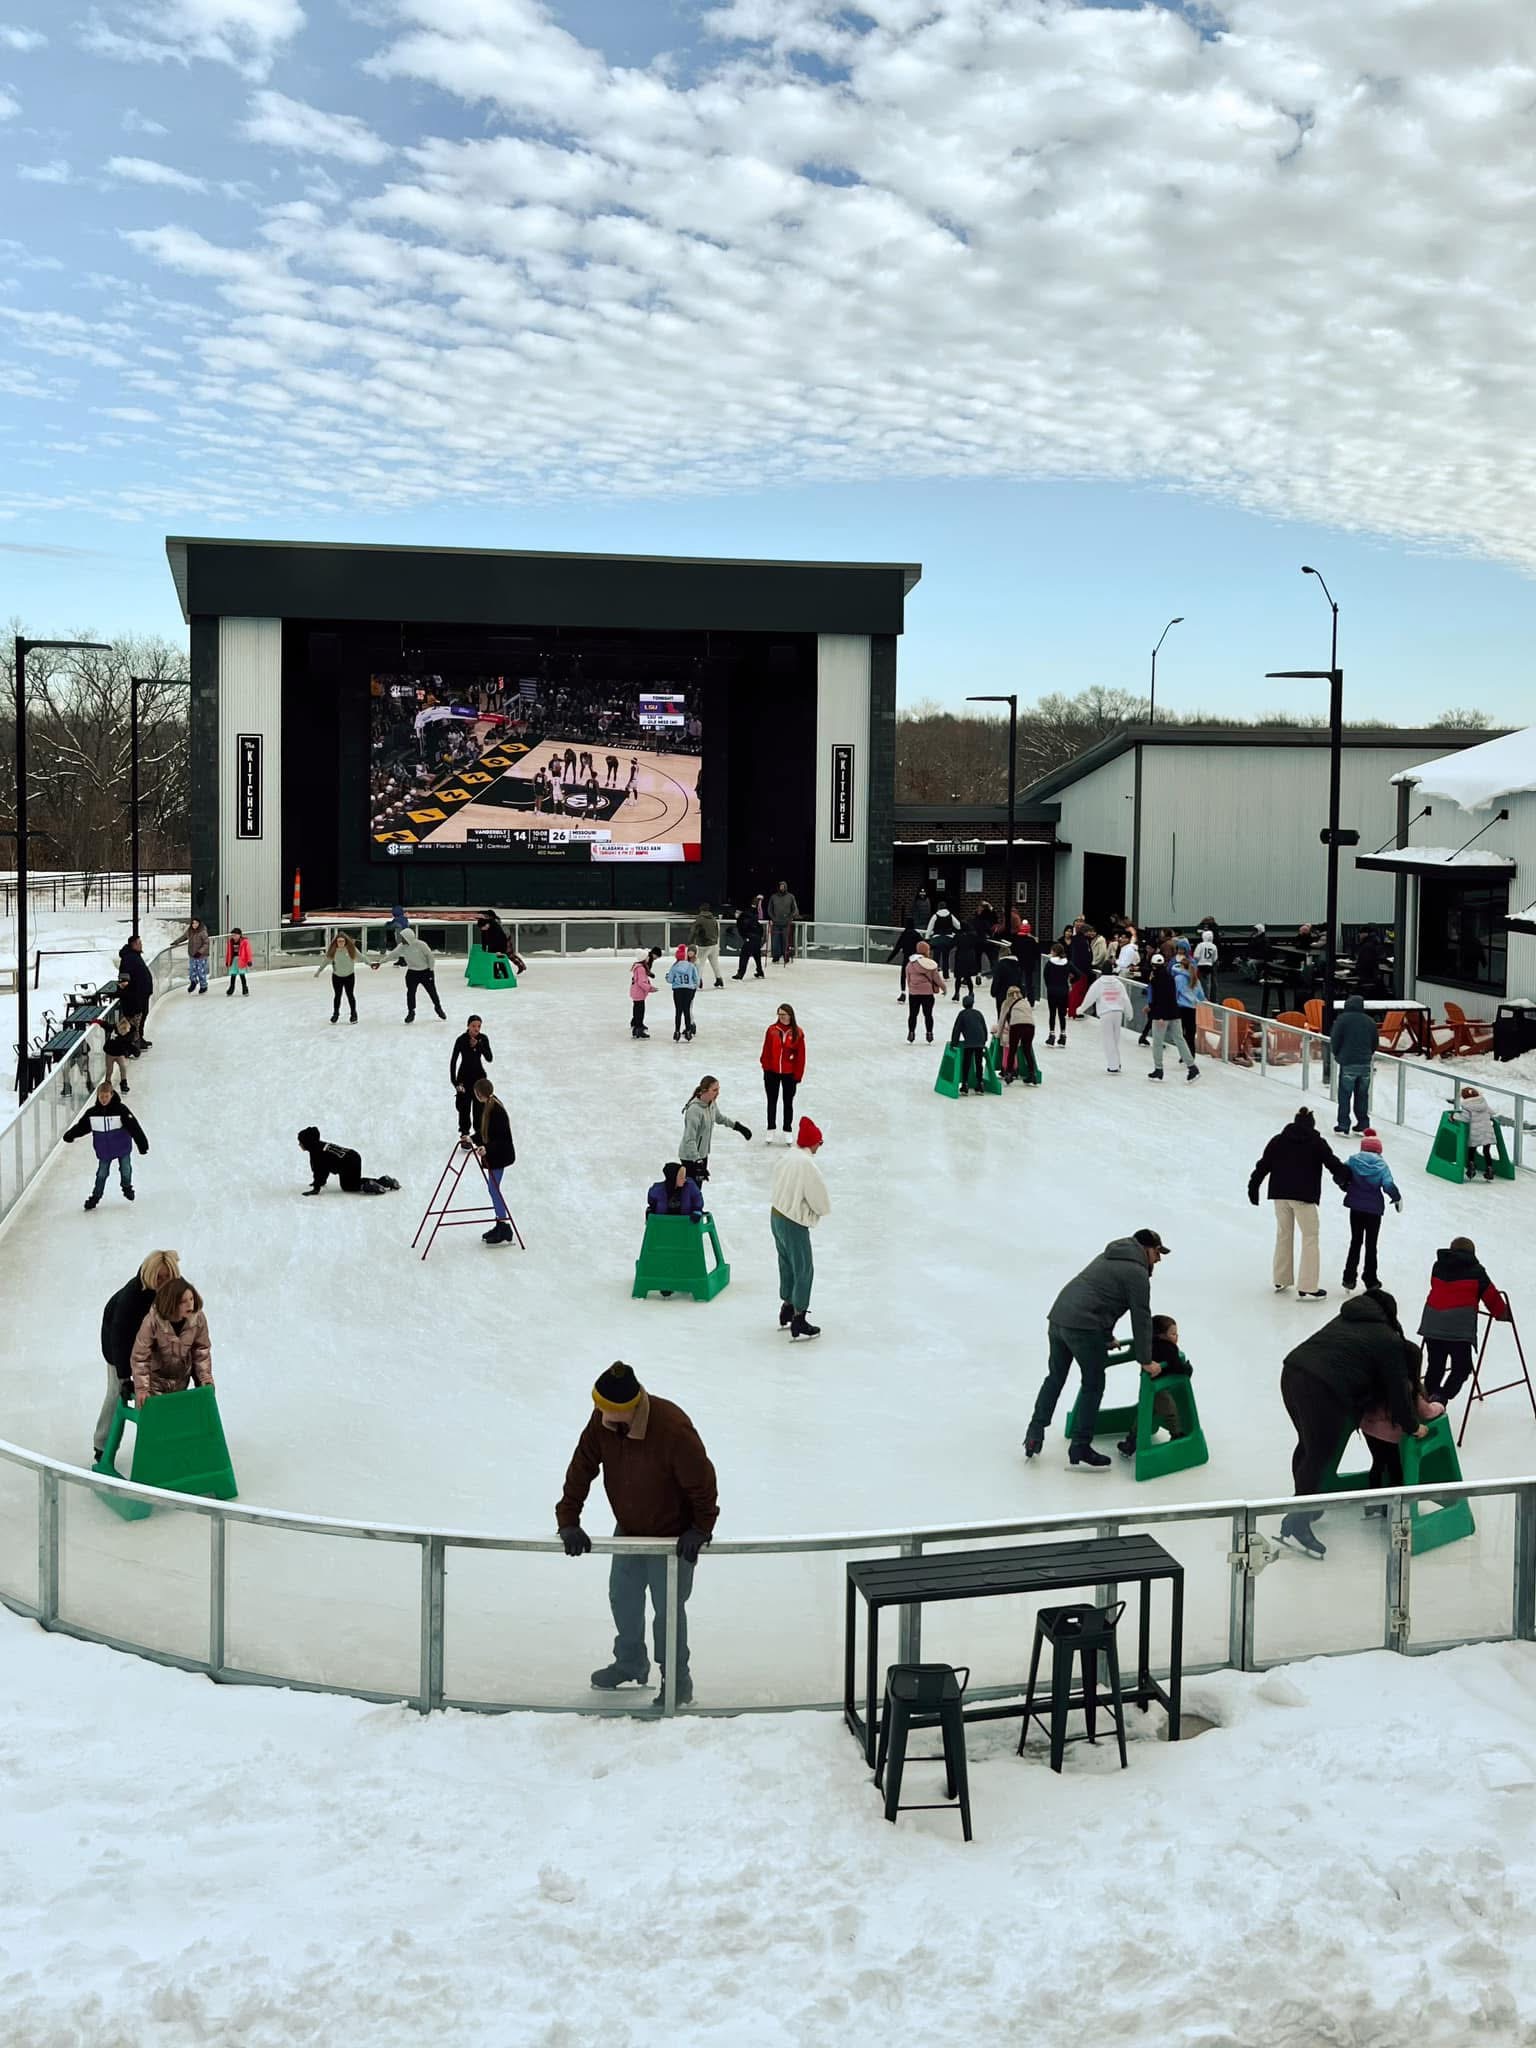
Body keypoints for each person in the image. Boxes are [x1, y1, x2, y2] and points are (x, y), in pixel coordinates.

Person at [556, 1362, 718, 1705]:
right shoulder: (602, 1422)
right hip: (629, 1530)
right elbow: (581, 1467)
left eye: (604, 1406)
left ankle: (677, 1681)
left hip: (672, 1538)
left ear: (625, 1408)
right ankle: (630, 1662)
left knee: (668, 1611)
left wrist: (700, 1529)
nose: (597, 1410)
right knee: (623, 1597)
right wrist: (568, 1520)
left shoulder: (672, 1427)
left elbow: (703, 1482)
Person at [1279, 1289, 1423, 1557]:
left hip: (1292, 1372)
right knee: (1318, 1455)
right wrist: (1412, 1426)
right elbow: (1398, 1392)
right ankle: (1298, 1519)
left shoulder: (1345, 1319)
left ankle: (1304, 1506)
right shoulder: (1387, 1339)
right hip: (1323, 1389)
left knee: (1308, 1446)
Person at [1024, 1230, 1168, 1468]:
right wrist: (1145, 1359)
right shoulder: (1137, 1272)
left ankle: (1034, 1433)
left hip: (1059, 1319)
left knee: (1055, 1377)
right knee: (1094, 1383)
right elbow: (1141, 1317)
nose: (1159, 1259)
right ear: (1145, 1249)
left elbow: (1102, 1299)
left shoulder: (1109, 1257)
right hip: (1083, 1327)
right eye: (1157, 1252)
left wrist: (1106, 1336)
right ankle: (1080, 1446)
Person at [1248, 1106, 1351, 1299]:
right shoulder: (1316, 1142)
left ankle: (1281, 1277)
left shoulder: (1278, 1140)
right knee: (1310, 1237)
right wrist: (1348, 1177)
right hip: (1304, 1197)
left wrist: (1253, 1187)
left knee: (1284, 1234)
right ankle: (1308, 1285)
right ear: (1312, 1125)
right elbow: (1333, 1164)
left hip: (1280, 1195)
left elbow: (1263, 1165)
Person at [94, 1249, 181, 1464]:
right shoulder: (132, 1297)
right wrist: (124, 1375)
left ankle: (165, 1439)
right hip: (118, 1342)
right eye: (158, 1277)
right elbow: (119, 1337)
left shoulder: (176, 1291)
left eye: (167, 1277)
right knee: (117, 1391)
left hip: (152, 1341)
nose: (162, 1282)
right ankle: (102, 1445)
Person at [1418, 1236, 1509, 1405]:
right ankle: (1441, 1398)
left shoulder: (1438, 1266)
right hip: (1458, 1329)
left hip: (1433, 1324)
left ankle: (1424, 1401)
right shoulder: (1477, 1272)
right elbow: (1492, 1298)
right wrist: (1503, 1314)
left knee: (1436, 1366)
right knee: (1461, 1368)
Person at [769, 1115, 830, 1338]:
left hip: (776, 1216)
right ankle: (799, 1318)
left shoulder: (787, 1157)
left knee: (786, 1262)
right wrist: (820, 1211)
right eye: (819, 1143)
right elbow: (819, 1200)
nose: (819, 1147)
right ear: (812, 1142)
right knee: (803, 1268)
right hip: (792, 1222)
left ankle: (787, 1307)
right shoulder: (806, 1165)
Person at [1116, 1313, 1193, 1459]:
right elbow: (1176, 1366)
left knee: (1145, 1414)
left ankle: (1131, 1441)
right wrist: (1187, 1369)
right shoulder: (1168, 1348)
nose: (1176, 1337)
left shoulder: (1149, 1345)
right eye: (1173, 1334)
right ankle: (1177, 1435)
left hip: (1148, 1388)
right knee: (1170, 1410)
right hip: (1158, 1389)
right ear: (1161, 1335)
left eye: (1177, 1333)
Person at [129, 1277, 213, 1409]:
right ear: (172, 1303)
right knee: (158, 1416)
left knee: (177, 1415)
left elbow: (201, 1352)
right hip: (155, 1384)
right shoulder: (152, 1322)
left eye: (191, 1299)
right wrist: (142, 1389)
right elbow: (140, 1357)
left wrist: (204, 1379)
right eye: (183, 1301)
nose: (190, 1305)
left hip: (180, 1382)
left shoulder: (198, 1320)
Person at [64, 1082, 148, 1209]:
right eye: (101, 1097)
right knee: (101, 1174)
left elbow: (134, 1127)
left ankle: (126, 1186)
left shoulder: (121, 1110)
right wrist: (70, 1135)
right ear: (98, 1096)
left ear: (111, 1095)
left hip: (122, 1148)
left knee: (125, 1170)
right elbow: (82, 1127)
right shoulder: (92, 1113)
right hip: (105, 1151)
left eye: (106, 1096)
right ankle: (95, 1197)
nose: (103, 1099)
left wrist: (142, 1145)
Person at [1360, 1373, 1444, 1493]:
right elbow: (1426, 1412)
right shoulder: (1405, 1384)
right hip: (1390, 1436)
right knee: (1395, 1469)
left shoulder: (1374, 1378)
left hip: (1368, 1428)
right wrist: (1439, 1405)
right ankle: (1394, 1499)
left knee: (1378, 1463)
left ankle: (1372, 1498)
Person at [1341, 1130, 1400, 1292]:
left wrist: (1345, 1186)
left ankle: (1349, 1278)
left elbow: (1340, 1175)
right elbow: (1388, 1185)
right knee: (1371, 1244)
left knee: (1355, 1241)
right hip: (1374, 1210)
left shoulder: (1353, 1161)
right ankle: (1370, 1279)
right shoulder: (1382, 1165)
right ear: (1379, 1150)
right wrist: (1396, 1198)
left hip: (1356, 1207)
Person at [680, 1075, 751, 1184]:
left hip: (701, 1155)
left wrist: (738, 1127)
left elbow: (719, 1118)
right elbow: (689, 1139)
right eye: (714, 1090)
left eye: (718, 1089)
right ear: (705, 1090)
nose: (718, 1093)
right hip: (690, 1157)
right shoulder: (694, 1110)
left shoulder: (711, 1103)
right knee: (690, 1190)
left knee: (696, 1189)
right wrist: (697, 1161)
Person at [472, 1076, 517, 1245]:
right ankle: (500, 1224)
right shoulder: (489, 1105)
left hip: (500, 1155)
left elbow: (501, 1138)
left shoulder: (496, 1110)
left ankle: (504, 1227)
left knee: (494, 1189)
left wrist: (486, 1148)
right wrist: (471, 1138)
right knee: (493, 1189)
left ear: (479, 1094)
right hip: (495, 1155)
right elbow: (486, 1132)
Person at [296, 1126, 399, 1195]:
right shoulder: (320, 1145)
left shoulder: (316, 1153)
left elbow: (319, 1171)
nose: (299, 1144)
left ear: (308, 1143)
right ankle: (384, 1181)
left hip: (347, 1163)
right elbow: (324, 1169)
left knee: (348, 1186)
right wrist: (320, 1182)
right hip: (353, 1155)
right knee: (355, 1181)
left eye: (301, 1142)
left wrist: (316, 1188)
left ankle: (369, 1185)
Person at [1328, 994, 1377, 1135]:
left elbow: (1335, 1039)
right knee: (1362, 1095)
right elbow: (1375, 1042)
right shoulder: (1370, 1021)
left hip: (1348, 1062)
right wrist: (1368, 1054)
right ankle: (1363, 1124)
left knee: (1345, 1095)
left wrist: (1337, 1054)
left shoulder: (1342, 1020)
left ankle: (1343, 1125)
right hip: (1365, 1064)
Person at [1146, 955, 1197, 1081]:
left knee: (1158, 1042)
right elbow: (1171, 997)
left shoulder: (1156, 979)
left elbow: (1157, 998)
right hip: (1175, 1014)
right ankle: (1192, 1067)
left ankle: (1158, 1069)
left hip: (1161, 1016)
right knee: (1180, 1040)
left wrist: (1159, 1015)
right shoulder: (1171, 978)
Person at [761, 1002, 806, 1142]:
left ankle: (787, 1129)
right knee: (771, 1101)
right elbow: (766, 1050)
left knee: (788, 1103)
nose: (781, 1017)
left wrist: (798, 1075)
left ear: (790, 1015)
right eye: (779, 1014)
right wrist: (766, 1067)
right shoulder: (772, 1030)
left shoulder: (798, 1032)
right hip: (772, 1072)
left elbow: (801, 1056)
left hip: (789, 1074)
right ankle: (771, 1128)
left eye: (784, 1014)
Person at [1079, 965, 1134, 1074]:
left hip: (1106, 1012)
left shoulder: (1098, 983)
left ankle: (1113, 1065)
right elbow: (1125, 999)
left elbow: (1090, 998)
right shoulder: (1118, 983)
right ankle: (1117, 1062)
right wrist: (1129, 1013)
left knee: (1108, 1039)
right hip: (1118, 1012)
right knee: (1115, 1039)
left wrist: (1081, 1009)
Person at [450, 1015, 494, 1144]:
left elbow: (489, 1058)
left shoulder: (483, 1039)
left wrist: (479, 1045)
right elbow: (453, 1061)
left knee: (479, 1109)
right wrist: (455, 1082)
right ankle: (464, 1135)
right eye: (473, 1026)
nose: (476, 1029)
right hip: (464, 1078)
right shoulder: (461, 1039)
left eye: (479, 1026)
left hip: (479, 1080)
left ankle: (479, 1135)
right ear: (468, 1026)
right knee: (464, 1108)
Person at [394, 926, 446, 1022]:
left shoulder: (421, 945)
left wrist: (431, 970)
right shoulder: (402, 946)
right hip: (412, 973)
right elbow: (392, 954)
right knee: (411, 993)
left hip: (425, 972)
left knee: (432, 992)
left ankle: (438, 1007)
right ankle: (411, 1012)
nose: (401, 940)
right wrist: (380, 962)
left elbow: (430, 957)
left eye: (403, 938)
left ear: (408, 937)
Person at [994, 981, 1039, 1085]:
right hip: (1030, 1026)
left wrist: (998, 1035)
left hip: (1017, 1025)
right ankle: (1032, 1073)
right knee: (1027, 1050)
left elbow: (1002, 1020)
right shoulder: (1025, 1002)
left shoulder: (1007, 1003)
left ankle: (1009, 1073)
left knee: (1012, 1049)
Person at [315, 931, 366, 1023]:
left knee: (350, 995)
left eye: (342, 941)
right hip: (337, 977)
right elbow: (325, 961)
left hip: (349, 976)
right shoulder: (333, 950)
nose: (341, 943)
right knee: (337, 995)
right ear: (336, 942)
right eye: (339, 941)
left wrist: (371, 964)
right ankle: (335, 1014)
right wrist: (319, 971)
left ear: (345, 941)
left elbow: (361, 957)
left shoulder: (351, 949)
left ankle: (353, 1014)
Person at [1453, 1086, 1499, 1181]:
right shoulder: (1483, 1103)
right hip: (1487, 1132)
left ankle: (1471, 1167)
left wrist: (1454, 1116)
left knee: (1472, 1150)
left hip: (1476, 1133)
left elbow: (1465, 1118)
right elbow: (1492, 1112)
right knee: (1486, 1151)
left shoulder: (1467, 1106)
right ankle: (1489, 1168)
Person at [905, 940, 945, 1044]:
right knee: (928, 1015)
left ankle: (911, 1032)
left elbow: (908, 979)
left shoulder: (910, 964)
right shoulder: (930, 964)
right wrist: (944, 988)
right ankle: (929, 1033)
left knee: (913, 1014)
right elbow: (937, 979)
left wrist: (911, 988)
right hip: (927, 993)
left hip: (914, 993)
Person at [949, 992, 990, 1094]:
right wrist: (984, 1040)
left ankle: (965, 1084)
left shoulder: (962, 1014)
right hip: (979, 1041)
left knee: (966, 1063)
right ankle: (980, 1083)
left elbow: (957, 1029)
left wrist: (954, 1043)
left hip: (969, 1042)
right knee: (978, 1062)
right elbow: (984, 1027)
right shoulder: (978, 1013)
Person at [118, 935, 155, 1044]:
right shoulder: (128, 958)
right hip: (135, 995)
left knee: (142, 1016)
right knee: (136, 1019)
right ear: (134, 945)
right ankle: (135, 1041)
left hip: (142, 993)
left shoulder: (135, 955)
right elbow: (124, 976)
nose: (141, 945)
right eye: (139, 943)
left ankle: (139, 1038)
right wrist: (125, 982)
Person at [96, 1007, 137, 1094]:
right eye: (121, 1031)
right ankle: (107, 1083)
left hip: (119, 1054)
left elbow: (129, 1045)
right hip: (110, 1053)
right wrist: (97, 1021)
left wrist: (135, 1051)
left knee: (123, 1067)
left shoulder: (128, 1035)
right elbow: (105, 1025)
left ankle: (124, 1083)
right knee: (109, 1070)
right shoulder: (113, 1028)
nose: (123, 1033)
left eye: (125, 1031)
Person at [1171, 949, 1202, 1059]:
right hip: (1192, 1008)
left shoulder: (1178, 978)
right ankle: (1191, 1054)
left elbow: (1175, 993)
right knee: (1190, 1033)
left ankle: (1184, 1055)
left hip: (1181, 1008)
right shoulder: (1196, 980)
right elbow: (1201, 995)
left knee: (1181, 1033)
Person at [665, 944, 701, 1042]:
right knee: (686, 1010)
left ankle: (677, 1031)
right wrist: (693, 986)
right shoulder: (691, 965)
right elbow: (696, 979)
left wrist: (667, 977)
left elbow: (670, 979)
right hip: (689, 990)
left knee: (678, 1011)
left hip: (678, 990)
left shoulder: (674, 966)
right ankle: (688, 1031)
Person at [1042, 943, 1071, 1047]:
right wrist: (1070, 982)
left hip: (1052, 991)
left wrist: (1049, 986)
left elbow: (1045, 975)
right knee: (1062, 1014)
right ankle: (1063, 1036)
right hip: (1063, 991)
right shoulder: (1067, 963)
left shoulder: (1050, 963)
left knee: (1052, 1013)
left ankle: (1052, 1035)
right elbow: (1078, 974)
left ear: (1054, 952)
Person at [689, 904, 724, 988]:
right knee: (714, 963)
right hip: (714, 944)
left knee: (700, 963)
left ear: (701, 910)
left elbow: (694, 931)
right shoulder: (713, 919)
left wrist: (690, 942)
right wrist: (715, 940)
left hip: (704, 944)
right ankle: (719, 979)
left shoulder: (700, 919)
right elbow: (717, 931)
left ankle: (698, 982)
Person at [1065, 924, 1095, 1018]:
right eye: (1089, 931)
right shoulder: (1082, 942)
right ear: (1085, 932)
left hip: (1077, 969)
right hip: (1081, 970)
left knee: (1076, 991)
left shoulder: (1078, 940)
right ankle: (1074, 1011)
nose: (1091, 933)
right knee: (1078, 992)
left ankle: (1073, 1010)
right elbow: (1084, 957)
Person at [767, 880, 800, 966]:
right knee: (775, 941)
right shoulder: (773, 897)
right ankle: (776, 957)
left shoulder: (790, 897)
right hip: (776, 923)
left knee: (786, 941)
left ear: (786, 887)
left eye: (783, 886)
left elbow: (794, 909)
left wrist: (790, 918)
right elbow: (769, 909)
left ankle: (786, 956)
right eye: (780, 886)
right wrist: (773, 918)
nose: (782, 888)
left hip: (786, 923)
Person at [888, 917, 921, 1000]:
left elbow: (897, 947)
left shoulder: (904, 934)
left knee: (904, 975)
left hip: (906, 958)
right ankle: (915, 993)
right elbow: (923, 945)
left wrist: (890, 958)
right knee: (915, 976)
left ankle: (903, 993)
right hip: (915, 958)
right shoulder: (916, 934)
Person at [175, 917, 211, 994]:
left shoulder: (202, 932)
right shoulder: (190, 931)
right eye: (193, 923)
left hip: (201, 956)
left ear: (199, 924)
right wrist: (176, 942)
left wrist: (200, 952)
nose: (194, 925)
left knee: (200, 972)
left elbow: (206, 943)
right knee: (192, 971)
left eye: (196, 923)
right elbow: (184, 937)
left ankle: (203, 986)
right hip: (192, 955)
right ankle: (193, 982)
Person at [925, 901, 960, 977]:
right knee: (945, 957)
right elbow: (958, 926)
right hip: (948, 939)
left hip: (937, 939)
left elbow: (929, 928)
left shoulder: (935, 916)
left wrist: (927, 938)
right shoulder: (950, 915)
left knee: (936, 957)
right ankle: (946, 975)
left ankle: (934, 974)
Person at [732, 900, 765, 980]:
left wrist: (746, 937)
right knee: (757, 955)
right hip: (757, 938)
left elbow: (743, 929)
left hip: (750, 939)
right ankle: (760, 972)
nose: (736, 914)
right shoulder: (751, 916)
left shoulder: (742, 919)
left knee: (744, 956)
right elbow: (759, 926)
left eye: (737, 912)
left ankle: (740, 974)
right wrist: (760, 937)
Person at [630, 949, 659, 1038]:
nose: (648, 958)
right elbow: (641, 982)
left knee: (637, 1010)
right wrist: (650, 988)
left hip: (636, 992)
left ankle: (636, 1028)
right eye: (647, 957)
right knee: (640, 1012)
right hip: (639, 993)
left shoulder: (638, 967)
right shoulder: (641, 968)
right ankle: (639, 1029)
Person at [950, 924, 981, 1005]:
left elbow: (952, 944)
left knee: (958, 977)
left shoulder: (958, 936)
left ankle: (957, 993)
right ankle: (971, 992)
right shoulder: (973, 936)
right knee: (968, 977)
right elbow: (977, 944)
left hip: (960, 956)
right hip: (970, 956)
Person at [1012, 919, 1042, 1002]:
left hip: (1018, 963)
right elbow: (1037, 953)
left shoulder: (1016, 939)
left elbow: (1012, 950)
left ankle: (1018, 997)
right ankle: (1031, 1000)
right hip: (1029, 964)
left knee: (1018, 980)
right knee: (1029, 982)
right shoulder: (1031, 941)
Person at [1192, 928, 1220, 1003]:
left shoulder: (1200, 945)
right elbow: (1215, 958)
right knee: (1208, 984)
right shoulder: (1214, 946)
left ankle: (1199, 998)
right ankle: (1207, 999)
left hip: (1200, 965)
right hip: (1209, 966)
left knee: (1198, 983)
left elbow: (1196, 956)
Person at [224, 927, 252, 998]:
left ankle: (245, 989)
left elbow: (248, 951)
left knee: (242, 975)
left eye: (235, 935)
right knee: (233, 974)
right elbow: (228, 952)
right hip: (234, 960)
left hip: (241, 960)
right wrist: (227, 961)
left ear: (239, 935)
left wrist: (249, 960)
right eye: (233, 935)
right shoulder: (230, 942)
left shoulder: (244, 941)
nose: (234, 937)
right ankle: (231, 988)